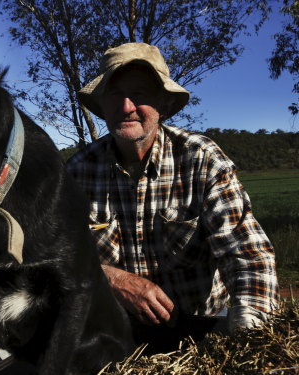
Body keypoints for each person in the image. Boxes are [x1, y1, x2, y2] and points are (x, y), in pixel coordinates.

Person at [66, 43, 280, 353]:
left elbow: (249, 257)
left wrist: (250, 342)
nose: (126, 107)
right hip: (117, 331)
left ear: (163, 104)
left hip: (202, 326)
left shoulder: (202, 161)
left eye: (139, 94)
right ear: (103, 104)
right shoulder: (77, 172)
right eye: (115, 94)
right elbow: (58, 254)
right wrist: (112, 278)